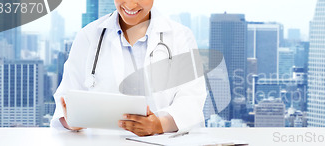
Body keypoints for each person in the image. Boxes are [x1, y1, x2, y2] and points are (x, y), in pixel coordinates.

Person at [50, 0, 207, 136]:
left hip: (164, 141)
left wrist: (158, 125)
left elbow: (192, 99)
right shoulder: (89, 36)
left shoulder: (180, 36)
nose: (130, 4)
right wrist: (72, 122)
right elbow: (67, 97)